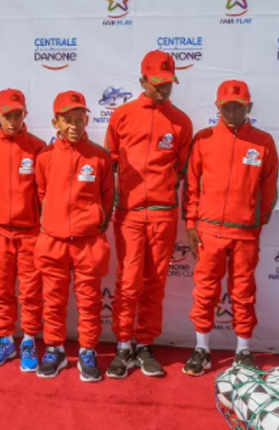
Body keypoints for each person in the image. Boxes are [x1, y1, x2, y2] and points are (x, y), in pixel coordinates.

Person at [104, 50, 193, 379]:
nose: (163, 90)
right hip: (129, 213)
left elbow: (180, 168)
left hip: (163, 214)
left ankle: (144, 344)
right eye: (157, 83)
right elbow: (111, 161)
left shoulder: (181, 121)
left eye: (168, 84)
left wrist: (161, 192)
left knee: (155, 283)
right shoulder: (123, 115)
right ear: (143, 81)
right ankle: (123, 344)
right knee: (128, 282)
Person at [182, 80, 278, 376]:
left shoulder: (263, 142)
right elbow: (191, 185)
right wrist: (191, 222)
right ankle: (201, 349)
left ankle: (243, 351)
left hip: (244, 232)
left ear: (249, 107)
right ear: (218, 107)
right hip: (209, 230)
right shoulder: (204, 139)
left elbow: (269, 187)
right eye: (226, 107)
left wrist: (257, 220)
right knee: (205, 291)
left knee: (244, 292)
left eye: (238, 107)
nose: (232, 112)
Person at [34, 91, 114, 382]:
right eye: (67, 120)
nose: (74, 126)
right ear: (56, 122)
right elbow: (41, 193)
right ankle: (54, 349)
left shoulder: (99, 157)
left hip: (87, 241)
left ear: (86, 121)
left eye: (79, 119)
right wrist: (54, 222)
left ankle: (87, 351)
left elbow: (108, 198)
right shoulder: (45, 157)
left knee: (89, 301)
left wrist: (94, 224)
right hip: (53, 241)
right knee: (53, 300)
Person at [0, 88, 47, 371]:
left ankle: (29, 340)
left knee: (30, 290)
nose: (12, 121)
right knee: (3, 289)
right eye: (7, 115)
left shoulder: (38, 147)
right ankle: (5, 339)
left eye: (17, 115)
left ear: (24, 114)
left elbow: (44, 192)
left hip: (30, 231)